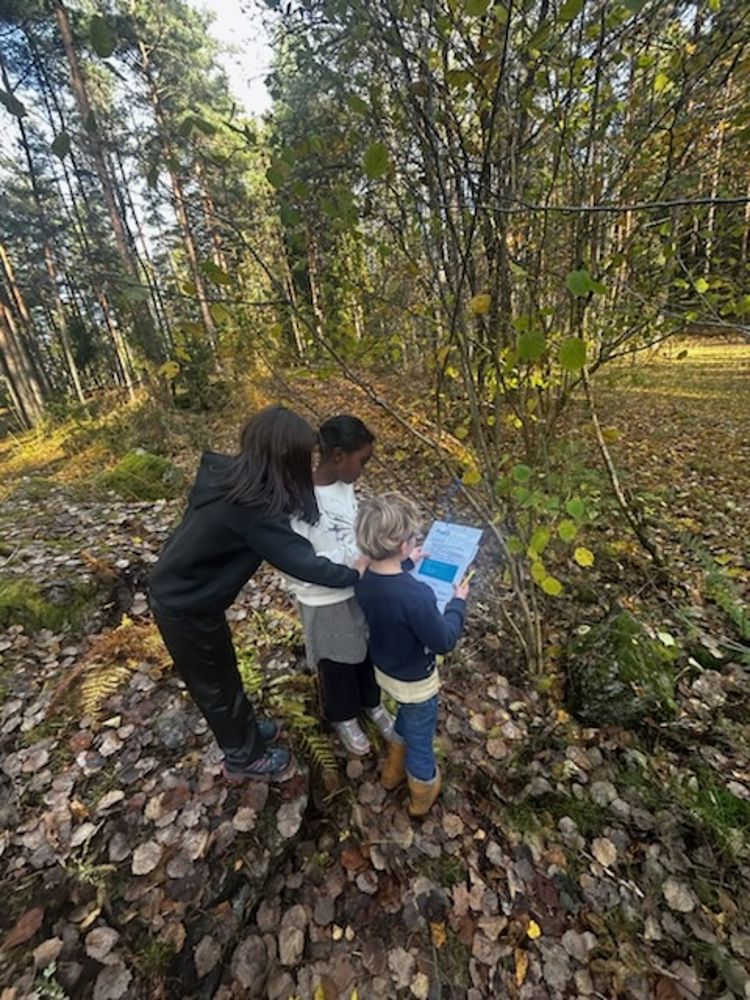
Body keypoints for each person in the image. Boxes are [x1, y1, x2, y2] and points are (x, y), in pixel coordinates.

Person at [148, 406, 367, 784]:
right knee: (215, 685)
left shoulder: (233, 478)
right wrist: (355, 571)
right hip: (183, 604)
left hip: (192, 596)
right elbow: (306, 564)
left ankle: (244, 732)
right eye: (302, 457)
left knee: (224, 672)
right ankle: (243, 757)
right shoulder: (253, 512)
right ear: (286, 459)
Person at [283, 414, 395, 755]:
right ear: (337, 457)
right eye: (362, 461)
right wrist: (350, 565)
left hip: (357, 587)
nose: (362, 470)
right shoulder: (300, 500)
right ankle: (344, 715)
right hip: (323, 598)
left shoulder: (344, 487)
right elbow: (297, 562)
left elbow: (354, 531)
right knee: (336, 660)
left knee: (364, 651)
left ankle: (372, 703)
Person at [354, 492, 470, 816]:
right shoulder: (416, 595)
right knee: (422, 742)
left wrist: (407, 562)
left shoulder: (362, 580)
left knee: (408, 722)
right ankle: (421, 792)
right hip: (416, 684)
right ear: (403, 543)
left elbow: (386, 584)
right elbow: (444, 640)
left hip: (385, 672)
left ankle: (391, 772)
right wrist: (458, 603)